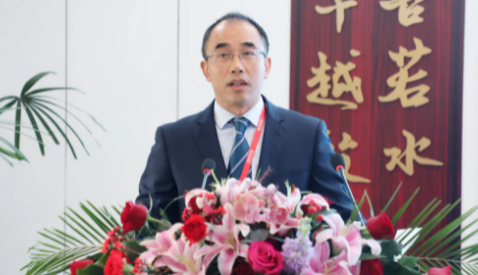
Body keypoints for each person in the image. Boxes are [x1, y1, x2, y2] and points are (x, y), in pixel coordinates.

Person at [136, 12, 354, 223]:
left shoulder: (307, 135)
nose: (237, 66)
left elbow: (343, 219)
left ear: (267, 66)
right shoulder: (173, 141)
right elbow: (148, 227)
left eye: (248, 53)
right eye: (223, 55)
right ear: (206, 70)